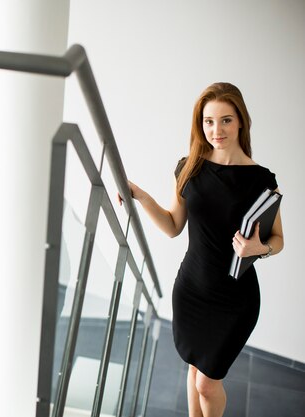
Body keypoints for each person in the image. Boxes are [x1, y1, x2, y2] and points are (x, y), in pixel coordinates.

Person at [119, 82, 283, 417]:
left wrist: (258, 248)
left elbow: (279, 239)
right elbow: (172, 226)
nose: (216, 129)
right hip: (192, 289)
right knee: (195, 369)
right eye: (209, 121)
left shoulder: (260, 180)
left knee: (208, 383)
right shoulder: (189, 166)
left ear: (240, 122)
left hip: (234, 301)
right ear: (200, 124)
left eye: (225, 120)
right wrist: (138, 195)